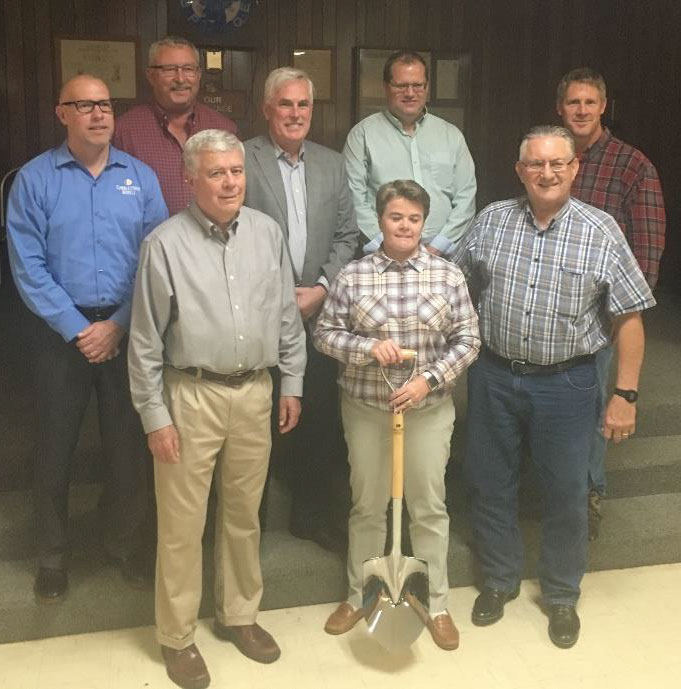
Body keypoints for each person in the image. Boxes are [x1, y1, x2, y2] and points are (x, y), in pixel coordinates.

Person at [452, 125, 655, 649]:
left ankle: (562, 594)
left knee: (566, 491)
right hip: (494, 375)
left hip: (567, 383)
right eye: (535, 164)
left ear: (574, 169)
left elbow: (629, 320)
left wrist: (624, 395)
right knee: (490, 482)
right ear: (520, 170)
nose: (547, 173)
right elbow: (456, 287)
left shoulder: (602, 230)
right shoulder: (493, 220)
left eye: (557, 163)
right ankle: (498, 580)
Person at [128, 129, 306, 689]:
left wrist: (292, 380)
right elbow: (144, 342)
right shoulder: (164, 245)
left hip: (254, 391)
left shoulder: (266, 232)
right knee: (181, 525)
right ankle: (177, 636)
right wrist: (154, 415)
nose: (231, 182)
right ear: (190, 181)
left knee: (243, 516)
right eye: (217, 173)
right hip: (191, 395)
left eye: (236, 171)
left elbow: (284, 313)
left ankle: (239, 616)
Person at [6, 74, 168, 601]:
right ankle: (52, 556)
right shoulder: (34, 180)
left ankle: (124, 545)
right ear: (62, 113)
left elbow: (157, 261)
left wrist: (119, 323)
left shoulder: (140, 178)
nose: (99, 114)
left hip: (127, 330)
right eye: (85, 105)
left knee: (128, 447)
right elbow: (27, 266)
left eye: (105, 105)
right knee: (55, 447)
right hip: (60, 334)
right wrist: (81, 329)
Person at [314, 179, 480, 651]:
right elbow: (324, 334)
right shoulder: (354, 275)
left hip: (427, 412)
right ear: (380, 221)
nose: (404, 226)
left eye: (413, 218)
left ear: (423, 223)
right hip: (367, 409)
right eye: (395, 217)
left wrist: (427, 379)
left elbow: (469, 340)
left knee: (428, 506)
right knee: (367, 505)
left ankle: (437, 603)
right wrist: (369, 348)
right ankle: (359, 595)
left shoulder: (448, 276)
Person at [244, 67, 358, 550]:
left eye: (303, 105)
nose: (295, 113)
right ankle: (251, 525)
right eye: (285, 104)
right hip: (257, 313)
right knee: (259, 414)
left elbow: (347, 235)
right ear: (267, 108)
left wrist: (322, 288)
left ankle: (309, 513)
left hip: (317, 311)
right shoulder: (242, 159)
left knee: (316, 414)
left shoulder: (333, 165)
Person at [556, 67, 666, 539]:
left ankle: (588, 495)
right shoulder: (553, 158)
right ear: (560, 108)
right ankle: (557, 488)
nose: (581, 110)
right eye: (572, 103)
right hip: (551, 311)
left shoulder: (632, 166)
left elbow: (647, 249)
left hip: (599, 316)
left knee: (592, 406)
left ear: (603, 107)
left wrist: (625, 313)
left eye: (589, 103)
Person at [344, 50, 476, 256]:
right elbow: (354, 199)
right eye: (401, 85)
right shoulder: (362, 135)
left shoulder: (452, 136)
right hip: (382, 258)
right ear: (386, 87)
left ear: (427, 87)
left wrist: (437, 248)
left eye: (417, 85)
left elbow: (466, 198)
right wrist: (385, 247)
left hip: (444, 258)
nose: (410, 93)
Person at [114, 36, 237, 215]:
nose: (180, 79)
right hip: (147, 240)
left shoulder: (224, 129)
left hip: (212, 240)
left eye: (188, 69)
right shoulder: (124, 132)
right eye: (169, 70)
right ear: (151, 75)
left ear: (199, 75)